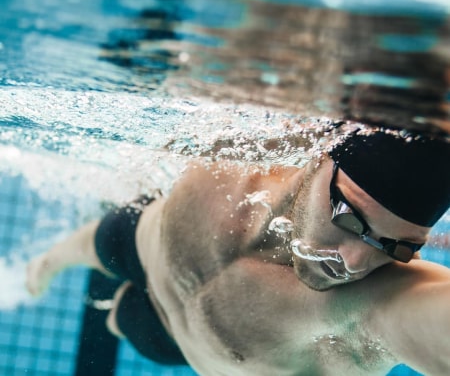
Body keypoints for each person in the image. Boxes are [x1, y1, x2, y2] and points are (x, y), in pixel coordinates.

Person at [27, 124, 450, 375]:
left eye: (397, 248)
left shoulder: (367, 308)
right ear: (319, 161)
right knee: (82, 247)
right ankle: (43, 267)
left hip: (165, 339)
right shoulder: (242, 146)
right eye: (350, 218)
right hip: (141, 240)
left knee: (119, 321)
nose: (356, 262)